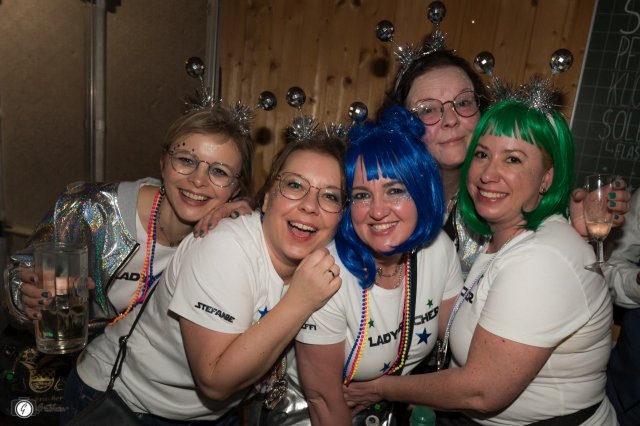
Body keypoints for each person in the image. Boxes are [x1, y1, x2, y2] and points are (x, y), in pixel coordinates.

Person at [344, 98, 617, 424]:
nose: (489, 173)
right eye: (482, 155)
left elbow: (482, 392)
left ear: (547, 177)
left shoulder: (540, 259)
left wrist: (380, 389)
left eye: (512, 159)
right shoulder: (502, 241)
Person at [61, 132, 347, 425]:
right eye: (294, 185)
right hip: (125, 404)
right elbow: (215, 380)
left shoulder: (331, 263)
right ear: (268, 197)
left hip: (215, 415)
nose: (310, 205)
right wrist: (300, 302)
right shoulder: (225, 247)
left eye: (330, 196)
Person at [384, 49, 630, 278]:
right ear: (400, 125)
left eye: (463, 102)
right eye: (427, 109)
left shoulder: (513, 195)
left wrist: (582, 237)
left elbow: (571, 279)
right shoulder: (384, 200)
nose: (450, 119)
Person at [5, 105, 254, 329]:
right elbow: (21, 271)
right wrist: (25, 297)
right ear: (163, 163)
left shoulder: (225, 239)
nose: (198, 180)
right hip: (66, 356)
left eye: (219, 172)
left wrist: (247, 216)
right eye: (186, 160)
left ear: (236, 189)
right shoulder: (90, 207)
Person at [293, 106, 464, 424]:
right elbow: (323, 400)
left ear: (422, 192)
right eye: (362, 195)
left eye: (395, 191)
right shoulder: (329, 273)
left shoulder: (438, 250)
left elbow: (461, 341)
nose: (377, 211)